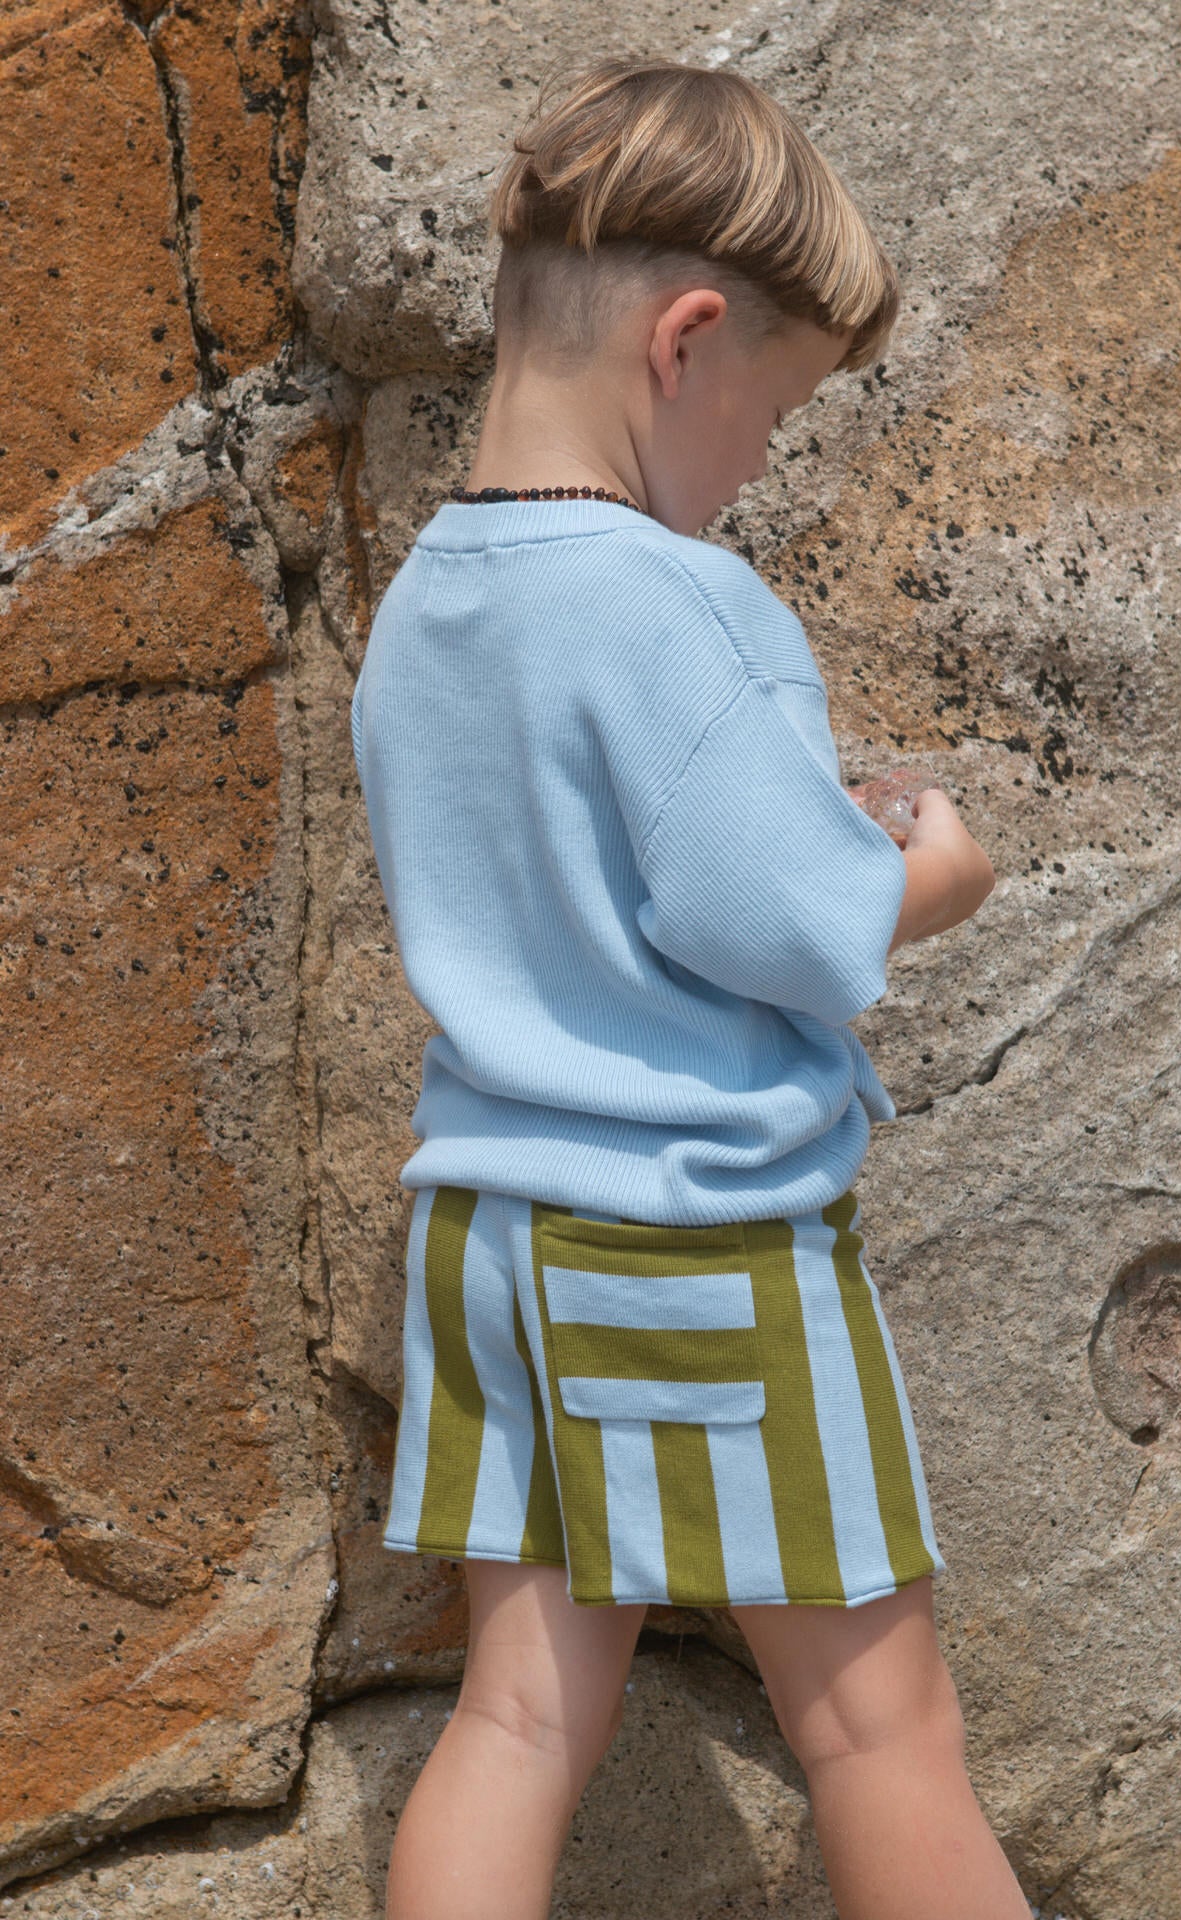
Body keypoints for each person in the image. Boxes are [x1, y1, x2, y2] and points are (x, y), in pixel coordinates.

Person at [351, 53, 1027, 1920]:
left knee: (516, 1721)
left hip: (486, 1241)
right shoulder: (679, 603)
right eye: (778, 413)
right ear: (688, 339)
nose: (762, 463)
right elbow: (792, 925)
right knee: (879, 1735)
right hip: (695, 1245)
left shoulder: (427, 600)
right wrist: (927, 871)